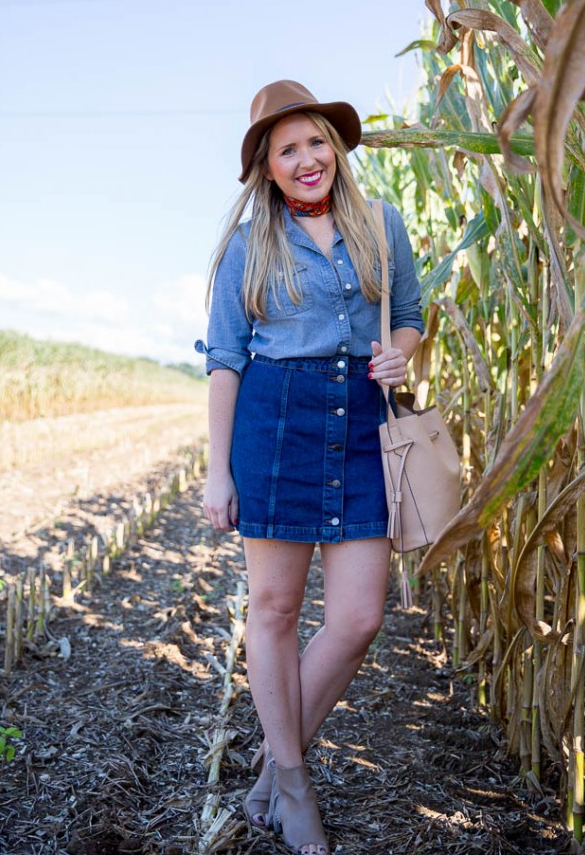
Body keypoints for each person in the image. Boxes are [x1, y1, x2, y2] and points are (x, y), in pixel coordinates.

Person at [196, 79, 423, 855]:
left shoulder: (381, 225)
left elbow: (410, 317)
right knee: (274, 611)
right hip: (277, 420)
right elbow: (225, 360)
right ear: (266, 167)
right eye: (286, 148)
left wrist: (400, 355)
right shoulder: (245, 247)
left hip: (360, 420)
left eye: (315, 141)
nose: (306, 158)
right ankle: (293, 786)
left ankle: (269, 769)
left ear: (336, 148)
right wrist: (217, 470)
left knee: (359, 617)